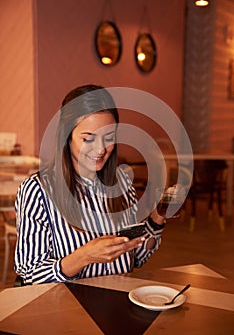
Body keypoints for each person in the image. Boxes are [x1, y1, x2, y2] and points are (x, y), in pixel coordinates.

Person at [14, 84, 165, 285]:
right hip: (67, 309)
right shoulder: (37, 191)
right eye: (88, 138)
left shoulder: (122, 182)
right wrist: (83, 257)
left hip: (117, 301)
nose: (101, 149)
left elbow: (134, 259)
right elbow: (30, 273)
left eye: (109, 138)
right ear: (67, 137)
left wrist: (157, 219)